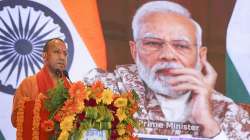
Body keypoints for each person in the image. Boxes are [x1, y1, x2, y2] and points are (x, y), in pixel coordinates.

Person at [84, 1, 250, 139]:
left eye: (181, 46)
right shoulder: (104, 90)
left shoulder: (228, 112)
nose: (168, 55)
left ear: (201, 56)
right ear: (134, 50)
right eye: (153, 43)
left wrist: (209, 125)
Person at [11, 38, 71, 139]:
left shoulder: (72, 89)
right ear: (44, 55)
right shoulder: (28, 84)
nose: (62, 57)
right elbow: (16, 120)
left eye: (65, 53)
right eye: (56, 52)